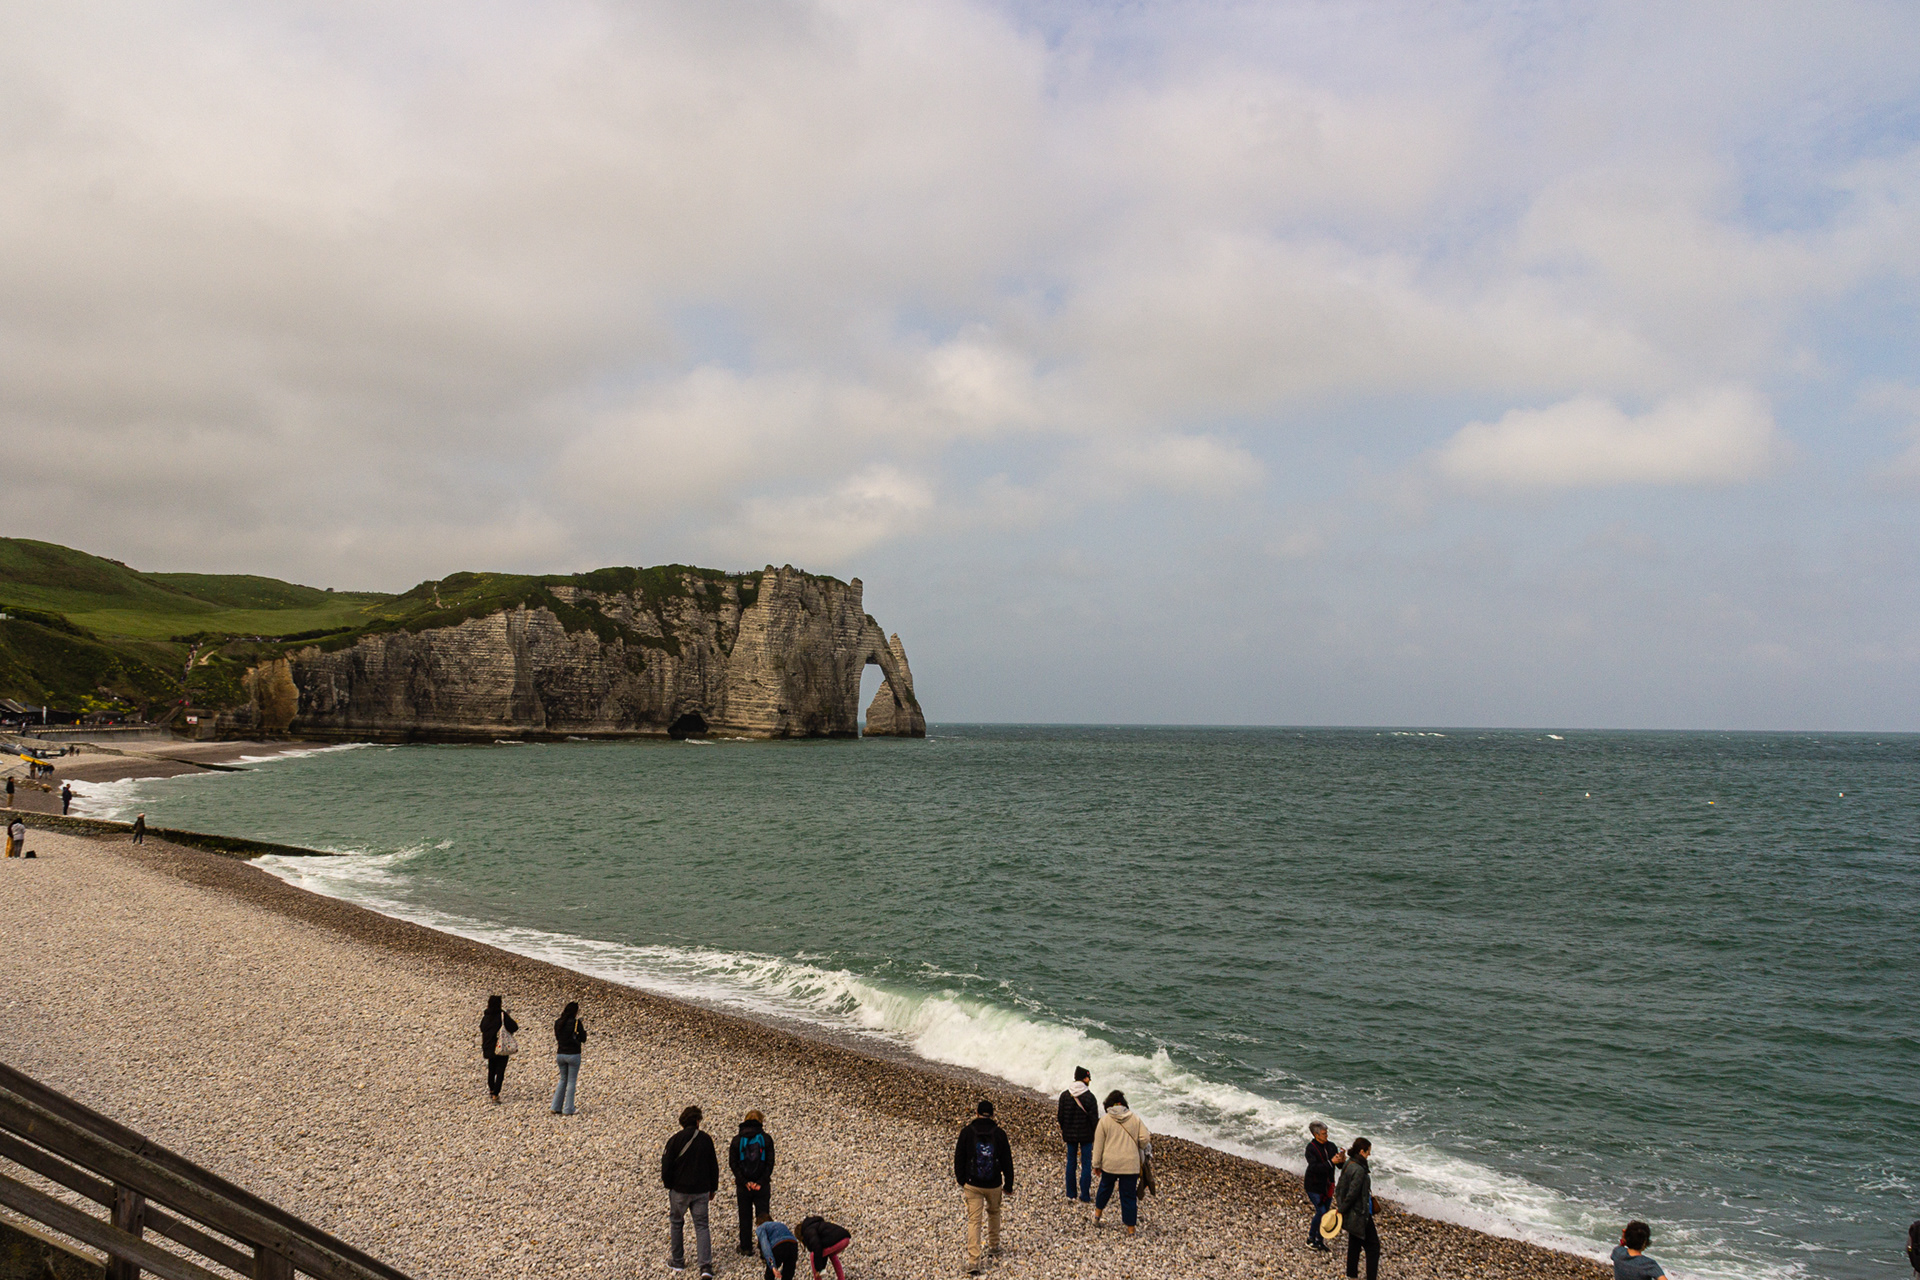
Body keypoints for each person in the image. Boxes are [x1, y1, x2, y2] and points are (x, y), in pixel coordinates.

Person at [953, 1099, 1014, 1275]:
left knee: (974, 1220)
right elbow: (1007, 1161)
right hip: (994, 1183)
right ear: (992, 1115)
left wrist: (961, 1180)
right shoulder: (1000, 1134)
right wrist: (1008, 1184)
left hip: (972, 1184)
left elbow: (959, 1158)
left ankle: (974, 1261)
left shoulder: (967, 1132)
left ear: (977, 1112)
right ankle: (994, 1246)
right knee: (994, 1213)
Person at [661, 1105, 720, 1278]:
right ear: (697, 1121)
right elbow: (713, 1166)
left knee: (677, 1223)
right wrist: (713, 1188)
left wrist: (670, 1185)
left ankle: (678, 1261)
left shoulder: (674, 1140)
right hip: (701, 1190)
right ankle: (705, 1267)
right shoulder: (706, 1139)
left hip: (679, 1190)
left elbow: (666, 1167)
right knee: (702, 1226)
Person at [1090, 1089, 1151, 1235]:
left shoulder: (1104, 1120)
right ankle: (1130, 1229)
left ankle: (1097, 1217)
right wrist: (1137, 1146)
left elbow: (1098, 1145)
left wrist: (1096, 1165)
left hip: (1110, 1163)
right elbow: (1145, 1138)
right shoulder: (1135, 1119)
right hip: (1130, 1164)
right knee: (1128, 1195)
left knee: (1105, 1189)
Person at [730, 1110, 777, 1255]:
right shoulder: (766, 1139)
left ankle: (746, 1247)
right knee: (763, 1216)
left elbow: (733, 1164)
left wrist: (744, 1182)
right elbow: (770, 1163)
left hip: (744, 1187)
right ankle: (764, 1248)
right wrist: (761, 1181)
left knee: (745, 1216)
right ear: (761, 1121)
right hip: (761, 1186)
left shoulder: (737, 1140)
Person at [1334, 1138, 1379, 1280]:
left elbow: (1342, 1186)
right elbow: (1353, 1194)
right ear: (1361, 1151)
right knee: (1373, 1247)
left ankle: (1351, 1274)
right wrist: (1341, 1209)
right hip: (1360, 1213)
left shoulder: (1349, 1162)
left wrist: (1342, 1208)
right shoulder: (1359, 1169)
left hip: (1352, 1213)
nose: (1369, 1155)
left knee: (1355, 1243)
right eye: (1368, 1152)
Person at [1057, 1066, 1098, 1203]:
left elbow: (1060, 1116)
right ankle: (1085, 1195)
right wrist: (1094, 1134)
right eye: (1088, 1078)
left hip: (1070, 1134)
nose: (1089, 1081)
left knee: (1071, 1163)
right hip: (1086, 1136)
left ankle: (1071, 1194)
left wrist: (1065, 1129)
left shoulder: (1064, 1095)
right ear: (1085, 1079)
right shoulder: (1090, 1097)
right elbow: (1094, 1120)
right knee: (1086, 1164)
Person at [1304, 1121, 1347, 1251]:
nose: (1326, 1135)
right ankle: (1311, 1239)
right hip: (1314, 1186)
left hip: (1327, 1186)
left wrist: (1342, 1159)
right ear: (1316, 1135)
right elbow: (1314, 1168)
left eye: (1326, 1133)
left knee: (1326, 1214)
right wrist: (1331, 1162)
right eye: (1323, 1133)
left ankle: (1320, 1240)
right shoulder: (1311, 1148)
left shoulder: (1331, 1146)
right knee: (1322, 1212)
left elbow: (1338, 1165)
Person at [479, 996, 518, 1102]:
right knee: (500, 1071)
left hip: (489, 1047)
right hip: (501, 1046)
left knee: (491, 1070)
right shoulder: (502, 1015)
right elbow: (514, 1027)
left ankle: (491, 1090)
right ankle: (496, 1093)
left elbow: (482, 1028)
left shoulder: (485, 1017)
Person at [550, 1001, 585, 1115]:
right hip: (573, 1054)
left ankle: (556, 1106)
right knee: (571, 1081)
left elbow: (558, 1038)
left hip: (560, 1054)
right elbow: (583, 1038)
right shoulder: (576, 1023)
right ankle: (569, 1108)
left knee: (562, 1079)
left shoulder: (558, 1023)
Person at [796, 1215, 851, 1280]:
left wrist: (818, 1269)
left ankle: (817, 1278)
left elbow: (817, 1246)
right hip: (845, 1238)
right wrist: (822, 1266)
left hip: (839, 1240)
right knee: (831, 1255)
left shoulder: (808, 1231)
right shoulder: (816, 1224)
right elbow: (822, 1249)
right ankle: (841, 1278)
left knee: (813, 1256)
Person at [755, 1215, 800, 1280]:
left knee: (769, 1275)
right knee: (788, 1273)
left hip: (779, 1246)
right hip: (793, 1244)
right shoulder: (780, 1224)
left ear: (758, 1224)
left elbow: (765, 1246)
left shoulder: (761, 1227)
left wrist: (772, 1265)